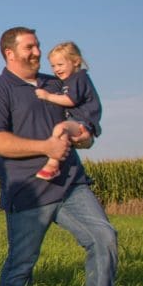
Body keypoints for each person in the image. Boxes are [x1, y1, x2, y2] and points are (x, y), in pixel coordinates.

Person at [0, 27, 117, 286]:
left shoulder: (57, 85)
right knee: (22, 262)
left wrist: (85, 137)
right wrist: (45, 147)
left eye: (38, 46)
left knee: (104, 238)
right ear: (10, 53)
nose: (38, 52)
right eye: (29, 47)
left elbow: (85, 125)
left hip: (70, 184)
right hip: (29, 190)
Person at [33, 41, 102, 181]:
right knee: (63, 134)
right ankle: (74, 173)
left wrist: (48, 96)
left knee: (60, 128)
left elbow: (71, 100)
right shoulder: (70, 80)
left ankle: (53, 164)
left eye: (60, 65)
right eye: (53, 66)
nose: (56, 69)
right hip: (78, 120)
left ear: (76, 61)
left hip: (82, 120)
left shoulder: (79, 78)